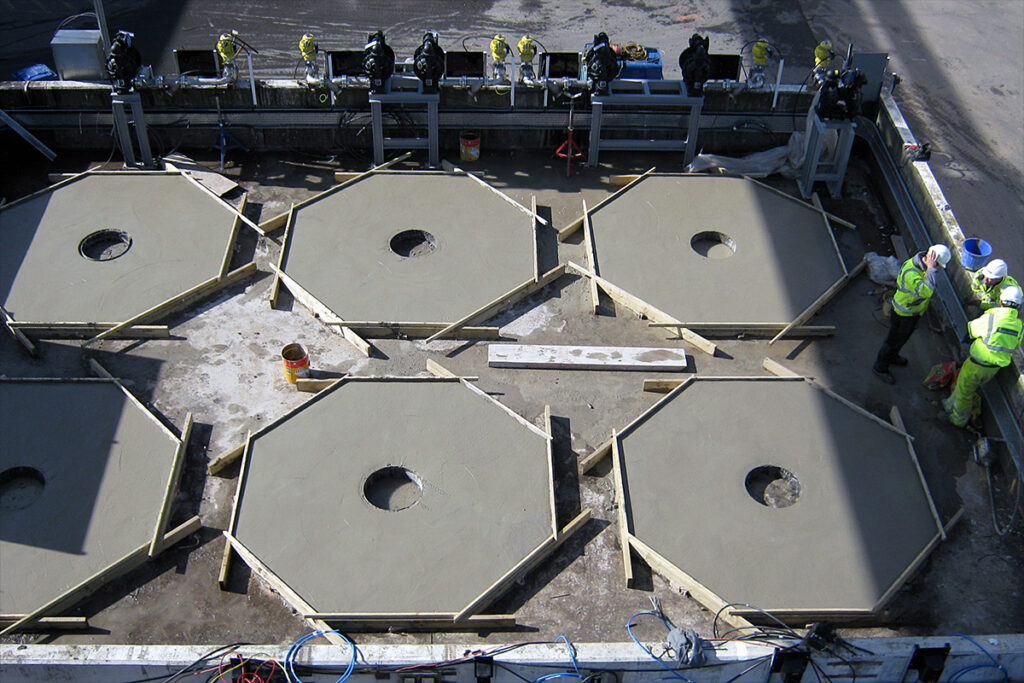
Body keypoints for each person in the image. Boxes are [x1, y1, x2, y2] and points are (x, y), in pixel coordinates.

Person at [943, 286, 1024, 428]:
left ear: (1001, 301)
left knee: (964, 392)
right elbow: (1015, 343)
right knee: (964, 387)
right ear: (1018, 306)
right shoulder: (1019, 325)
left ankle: (958, 420)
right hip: (993, 370)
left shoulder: (992, 317)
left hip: (976, 364)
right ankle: (949, 404)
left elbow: (972, 330)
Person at [873, 244, 952, 384]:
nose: (938, 269)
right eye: (938, 266)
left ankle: (893, 356)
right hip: (903, 313)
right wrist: (932, 270)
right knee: (892, 341)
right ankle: (880, 368)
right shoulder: (912, 273)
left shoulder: (921, 265)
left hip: (911, 313)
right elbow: (926, 291)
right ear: (932, 260)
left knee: (902, 338)